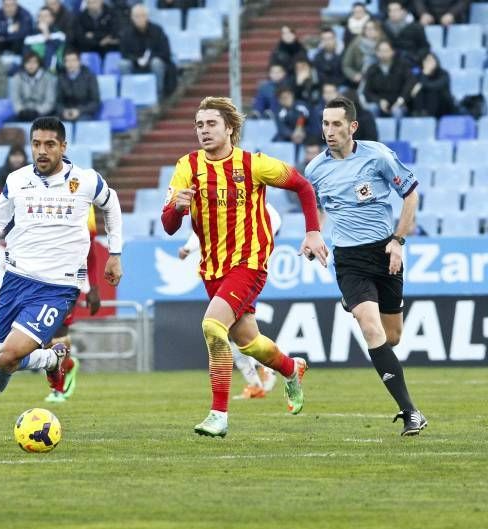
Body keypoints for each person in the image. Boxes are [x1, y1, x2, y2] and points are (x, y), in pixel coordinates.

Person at [0, 116, 123, 440]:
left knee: (8, 356)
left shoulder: (85, 181)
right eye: (36, 144)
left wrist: (115, 253)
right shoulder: (17, 180)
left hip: (56, 287)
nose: (42, 151)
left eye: (49, 144)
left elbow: (112, 203)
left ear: (64, 146)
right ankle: (52, 358)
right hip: (15, 280)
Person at [160, 96, 327, 438]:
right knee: (247, 340)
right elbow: (168, 225)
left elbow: (303, 186)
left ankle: (218, 415)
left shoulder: (254, 164)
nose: (203, 130)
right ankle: (291, 368)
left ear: (230, 129)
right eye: (199, 124)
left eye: (211, 124)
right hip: (213, 267)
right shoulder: (186, 167)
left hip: (249, 262)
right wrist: (177, 208)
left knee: (211, 326)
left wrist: (312, 232)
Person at [304, 95, 427, 437]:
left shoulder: (378, 156)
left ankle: (359, 305)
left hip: (384, 252)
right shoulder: (315, 169)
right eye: (325, 124)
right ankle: (410, 412)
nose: (329, 131)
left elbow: (411, 193)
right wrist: (313, 234)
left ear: (352, 126)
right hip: (349, 260)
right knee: (370, 328)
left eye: (336, 124)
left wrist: (398, 241)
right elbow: (314, 207)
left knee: (391, 337)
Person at [177, 203, 284, 400]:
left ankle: (265, 373)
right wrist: (189, 247)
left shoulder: (252, 198)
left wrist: (187, 248)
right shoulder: (222, 194)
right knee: (236, 334)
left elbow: (274, 218)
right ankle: (261, 376)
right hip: (226, 271)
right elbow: (205, 224)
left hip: (244, 271)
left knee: (231, 331)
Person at [42, 205, 101, 403]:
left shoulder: (83, 198)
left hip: (69, 281)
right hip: (38, 277)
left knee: (58, 336)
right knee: (43, 339)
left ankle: (59, 387)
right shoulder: (36, 194)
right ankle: (67, 365)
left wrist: (94, 287)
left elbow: (90, 251)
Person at [118, 4, 173, 98]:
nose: (140, 19)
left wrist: (149, 59)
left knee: (157, 63)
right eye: (137, 16)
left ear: (147, 16)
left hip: (153, 62)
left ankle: (157, 95)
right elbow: (124, 54)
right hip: (135, 64)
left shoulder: (157, 30)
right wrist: (136, 60)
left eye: (142, 15)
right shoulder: (126, 33)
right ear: (131, 17)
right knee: (123, 64)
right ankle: (129, 94)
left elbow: (166, 52)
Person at [362, 40, 415, 118]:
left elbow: (410, 83)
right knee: (371, 109)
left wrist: (400, 100)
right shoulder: (372, 69)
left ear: (392, 52)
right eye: (381, 51)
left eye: (386, 51)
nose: (383, 54)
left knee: (397, 111)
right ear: (376, 53)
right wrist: (379, 101)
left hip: (399, 103)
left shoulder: (402, 66)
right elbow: (367, 92)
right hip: (379, 104)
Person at [55, 47, 100, 121]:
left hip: (84, 113)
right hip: (65, 114)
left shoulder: (90, 77)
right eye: (67, 61)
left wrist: (79, 111)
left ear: (79, 62)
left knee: (82, 121)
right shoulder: (61, 78)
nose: (70, 64)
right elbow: (58, 102)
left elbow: (95, 102)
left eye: (73, 60)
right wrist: (63, 111)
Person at [10, 51, 56, 121]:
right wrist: (21, 111)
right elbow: (15, 100)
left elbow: (50, 101)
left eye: (34, 62)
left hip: (43, 114)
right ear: (24, 64)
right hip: (22, 113)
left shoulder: (48, 78)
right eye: (28, 62)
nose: (31, 65)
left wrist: (38, 111)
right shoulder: (17, 78)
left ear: (39, 64)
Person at [409, 52, 456, 118]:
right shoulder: (420, 75)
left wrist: (422, 83)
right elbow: (413, 90)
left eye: (431, 60)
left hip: (443, 105)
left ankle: (428, 116)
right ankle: (419, 114)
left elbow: (435, 86)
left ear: (436, 61)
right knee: (418, 92)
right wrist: (424, 75)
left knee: (432, 92)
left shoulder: (444, 74)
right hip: (425, 106)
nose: (428, 63)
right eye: (426, 61)